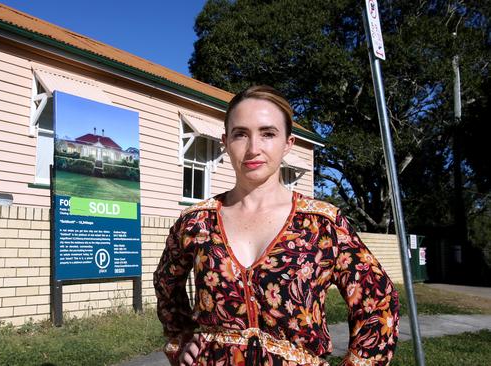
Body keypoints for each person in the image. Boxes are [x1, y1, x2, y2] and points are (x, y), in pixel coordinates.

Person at [153, 85, 399, 366]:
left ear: (288, 144)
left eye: (268, 134)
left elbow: (379, 302)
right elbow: (166, 282)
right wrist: (181, 339)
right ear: (225, 141)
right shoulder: (196, 222)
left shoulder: (322, 223)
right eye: (240, 134)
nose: (253, 148)